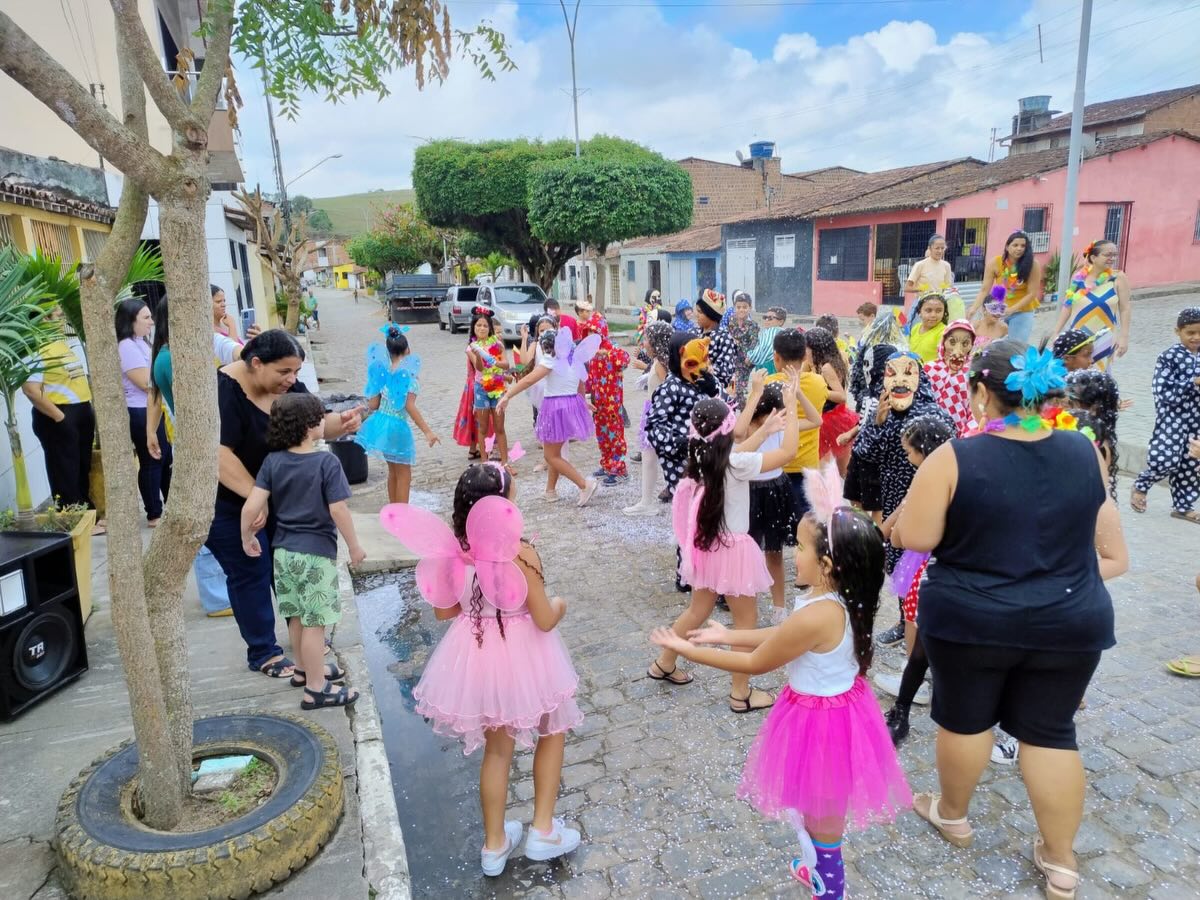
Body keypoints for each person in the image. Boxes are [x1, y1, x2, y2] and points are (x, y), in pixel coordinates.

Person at [897, 341, 1127, 899]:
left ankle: (953, 814)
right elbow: (1094, 523)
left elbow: (916, 537)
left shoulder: (953, 457)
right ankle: (1062, 861)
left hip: (973, 618)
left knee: (965, 720)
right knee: (1051, 733)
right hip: (1069, 616)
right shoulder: (1084, 450)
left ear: (981, 393)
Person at [650, 468, 910, 899]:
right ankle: (817, 867)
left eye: (801, 547)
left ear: (827, 565)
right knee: (815, 806)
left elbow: (756, 664)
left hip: (823, 724)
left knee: (823, 817)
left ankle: (830, 888)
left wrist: (686, 649)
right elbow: (783, 635)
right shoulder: (839, 598)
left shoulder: (819, 613)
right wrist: (727, 634)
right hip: (838, 712)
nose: (794, 553)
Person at [382, 464, 583, 876]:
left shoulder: (454, 553)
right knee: (553, 729)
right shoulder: (520, 552)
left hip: (478, 654)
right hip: (527, 655)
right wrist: (560, 604)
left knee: (496, 750)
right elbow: (545, 619)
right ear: (503, 505)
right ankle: (543, 830)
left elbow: (444, 612)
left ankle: (494, 846)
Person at [207, 329, 362, 678]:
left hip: (275, 499)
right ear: (256, 363)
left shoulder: (286, 386)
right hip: (230, 503)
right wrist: (256, 498)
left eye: (296, 372)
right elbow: (218, 455)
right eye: (284, 372)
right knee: (251, 572)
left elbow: (314, 422)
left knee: (289, 571)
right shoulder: (223, 391)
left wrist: (343, 423)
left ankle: (306, 651)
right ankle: (263, 651)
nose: (292, 380)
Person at [646, 389, 801, 714]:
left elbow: (738, 451)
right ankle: (740, 693)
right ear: (727, 430)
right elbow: (788, 452)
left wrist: (764, 430)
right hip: (733, 550)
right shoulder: (735, 462)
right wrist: (789, 407)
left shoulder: (703, 456)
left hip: (707, 546)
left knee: (697, 610)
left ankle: (664, 662)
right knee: (745, 623)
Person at [240, 392, 365, 709]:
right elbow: (338, 510)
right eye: (321, 418)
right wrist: (354, 546)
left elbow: (252, 506)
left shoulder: (273, 461)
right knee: (315, 623)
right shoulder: (326, 462)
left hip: (283, 554)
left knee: (295, 616)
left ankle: (302, 670)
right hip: (315, 555)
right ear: (310, 426)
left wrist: (246, 536)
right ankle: (316, 688)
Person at [852, 351, 953, 648]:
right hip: (892, 491)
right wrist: (877, 422)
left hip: (929, 493)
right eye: (891, 373)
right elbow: (864, 453)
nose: (899, 380)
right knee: (899, 559)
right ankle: (904, 619)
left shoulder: (934, 414)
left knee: (928, 557)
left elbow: (951, 454)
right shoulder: (881, 410)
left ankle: (929, 622)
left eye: (908, 372)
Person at [145, 295, 236, 617]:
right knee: (207, 524)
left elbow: (154, 397)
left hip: (196, 447)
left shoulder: (167, 354)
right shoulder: (173, 359)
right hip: (197, 451)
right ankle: (217, 598)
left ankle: (220, 593)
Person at [875, 414, 956, 745]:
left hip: (926, 563)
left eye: (909, 452)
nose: (907, 457)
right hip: (947, 567)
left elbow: (897, 535)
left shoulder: (927, 482)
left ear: (924, 451)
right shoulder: (956, 476)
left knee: (916, 624)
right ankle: (924, 683)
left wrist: (890, 528)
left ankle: (915, 684)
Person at [736, 372, 822, 621]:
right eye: (775, 414)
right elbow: (738, 434)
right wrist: (755, 394)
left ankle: (779, 607)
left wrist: (797, 395)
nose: (780, 419)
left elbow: (815, 420)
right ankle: (743, 599)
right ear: (762, 413)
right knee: (746, 550)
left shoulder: (784, 422)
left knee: (774, 552)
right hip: (749, 491)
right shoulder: (748, 427)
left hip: (775, 490)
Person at [500, 328, 600, 507]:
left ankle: (584, 485)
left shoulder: (551, 360)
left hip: (555, 408)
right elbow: (580, 384)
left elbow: (528, 380)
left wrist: (507, 395)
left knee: (550, 455)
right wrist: (583, 402)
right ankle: (550, 491)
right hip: (570, 405)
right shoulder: (573, 359)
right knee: (554, 452)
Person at [21, 305, 98, 521]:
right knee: (64, 469)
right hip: (59, 414)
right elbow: (31, 390)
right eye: (56, 316)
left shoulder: (60, 344)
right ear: (42, 320)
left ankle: (85, 512)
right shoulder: (35, 349)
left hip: (80, 411)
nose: (62, 320)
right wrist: (59, 417)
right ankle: (72, 516)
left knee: (81, 466)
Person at [1130, 307, 1200, 521]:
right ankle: (1141, 485)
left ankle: (1183, 506)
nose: (1196, 338)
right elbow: (1162, 391)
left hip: (1196, 419)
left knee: (1191, 463)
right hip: (1172, 417)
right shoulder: (1168, 357)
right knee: (1166, 458)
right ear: (1177, 331)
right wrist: (1192, 383)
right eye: (1190, 333)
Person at [356, 325, 439, 504]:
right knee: (404, 474)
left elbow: (373, 404)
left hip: (381, 424)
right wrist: (428, 431)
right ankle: (401, 515)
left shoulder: (383, 372)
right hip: (397, 427)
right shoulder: (409, 376)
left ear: (388, 352)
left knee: (393, 471)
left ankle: (393, 511)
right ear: (407, 349)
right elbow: (409, 406)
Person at [645, 332, 722, 497]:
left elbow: (726, 407)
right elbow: (654, 427)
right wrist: (679, 443)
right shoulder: (670, 388)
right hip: (683, 463)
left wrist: (714, 390)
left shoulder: (703, 379)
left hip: (709, 457)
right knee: (690, 504)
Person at [116, 297, 171, 526]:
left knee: (165, 458)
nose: (151, 322)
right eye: (146, 317)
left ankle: (167, 506)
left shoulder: (143, 342)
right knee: (151, 460)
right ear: (131, 321)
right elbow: (144, 382)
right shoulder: (126, 346)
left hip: (155, 406)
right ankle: (154, 512)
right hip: (140, 410)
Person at [766, 329, 829, 521]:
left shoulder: (768, 384)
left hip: (776, 465)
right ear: (804, 357)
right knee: (807, 524)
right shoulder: (818, 382)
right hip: (807, 466)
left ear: (776, 357)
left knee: (775, 525)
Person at [1051, 240, 1131, 371]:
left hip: (1104, 338)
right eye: (1107, 255)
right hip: (1078, 337)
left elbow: (1125, 309)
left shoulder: (1118, 277)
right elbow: (1068, 305)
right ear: (1093, 257)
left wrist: (1124, 337)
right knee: (1075, 373)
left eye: (1114, 255)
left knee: (1099, 375)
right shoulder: (1078, 277)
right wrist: (1056, 332)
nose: (1112, 258)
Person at [575, 298, 630, 484]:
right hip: (598, 402)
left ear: (602, 332)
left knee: (615, 435)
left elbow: (625, 359)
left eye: (595, 332)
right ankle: (607, 464)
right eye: (588, 332)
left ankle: (620, 469)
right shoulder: (590, 353)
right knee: (602, 434)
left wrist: (609, 353)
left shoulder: (611, 349)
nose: (591, 335)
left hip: (613, 403)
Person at [625, 321, 673, 516]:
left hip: (658, 414)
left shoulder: (661, 363)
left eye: (646, 339)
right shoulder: (659, 360)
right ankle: (646, 501)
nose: (643, 342)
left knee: (652, 457)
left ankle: (647, 502)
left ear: (656, 342)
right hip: (654, 411)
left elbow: (667, 387)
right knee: (649, 457)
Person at [968, 231, 1043, 345]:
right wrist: (974, 308)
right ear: (1007, 247)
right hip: (998, 310)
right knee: (993, 345)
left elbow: (1032, 294)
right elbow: (984, 290)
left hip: (1022, 312)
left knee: (1015, 346)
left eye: (1023, 246)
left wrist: (1011, 310)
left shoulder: (1033, 265)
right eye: (1015, 245)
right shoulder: (995, 262)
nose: (1019, 249)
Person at [808, 326, 858, 477]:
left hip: (831, 419)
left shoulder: (826, 367)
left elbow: (841, 396)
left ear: (816, 349)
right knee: (841, 469)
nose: (804, 352)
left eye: (807, 348)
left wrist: (821, 390)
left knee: (827, 468)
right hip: (831, 415)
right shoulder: (820, 363)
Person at [1065, 369, 1121, 500]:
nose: (1062, 408)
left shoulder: (1098, 446)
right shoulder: (1075, 431)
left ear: (1094, 408)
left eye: (1070, 403)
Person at [467, 310, 511, 465]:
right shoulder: (471, 348)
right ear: (473, 327)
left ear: (490, 328)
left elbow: (506, 364)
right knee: (483, 428)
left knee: (500, 427)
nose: (482, 328)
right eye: (478, 325)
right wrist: (479, 355)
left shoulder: (497, 344)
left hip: (497, 387)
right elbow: (479, 368)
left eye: (485, 325)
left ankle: (505, 462)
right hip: (481, 389)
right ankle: (485, 462)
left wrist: (494, 362)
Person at [925, 319, 977, 437]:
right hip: (928, 432)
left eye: (965, 343)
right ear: (944, 342)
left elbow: (975, 411)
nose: (958, 348)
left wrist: (966, 437)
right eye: (952, 342)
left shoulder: (973, 374)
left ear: (971, 346)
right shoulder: (930, 368)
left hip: (959, 435)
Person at [727, 292, 760, 406]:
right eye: (739, 307)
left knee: (739, 389)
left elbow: (754, 343)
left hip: (745, 362)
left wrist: (750, 356)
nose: (741, 310)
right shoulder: (731, 321)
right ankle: (732, 408)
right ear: (734, 307)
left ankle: (744, 410)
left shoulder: (753, 325)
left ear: (750, 308)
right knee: (731, 387)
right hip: (731, 360)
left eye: (745, 307)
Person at [908, 291, 948, 364]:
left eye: (938, 311)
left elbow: (943, 361)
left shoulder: (944, 332)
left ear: (944, 312)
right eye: (928, 311)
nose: (933, 315)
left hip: (932, 370)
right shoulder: (915, 328)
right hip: (913, 369)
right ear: (919, 312)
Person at [748, 307, 786, 374]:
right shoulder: (784, 333)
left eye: (770, 318)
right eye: (765, 317)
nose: (766, 320)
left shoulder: (772, 331)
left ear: (781, 322)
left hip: (768, 367)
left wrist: (750, 358)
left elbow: (764, 347)